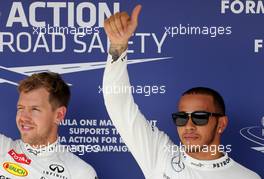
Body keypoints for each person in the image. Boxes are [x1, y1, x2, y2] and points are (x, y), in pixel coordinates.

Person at [103, 5, 261, 179]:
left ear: (221, 124)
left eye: (200, 117)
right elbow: (118, 103)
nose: (189, 126)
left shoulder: (247, 177)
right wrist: (118, 46)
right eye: (181, 118)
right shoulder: (160, 156)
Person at [0, 72, 97, 179]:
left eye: (35, 109)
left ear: (59, 115)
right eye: (20, 108)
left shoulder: (79, 173)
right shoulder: (3, 148)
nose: (23, 117)